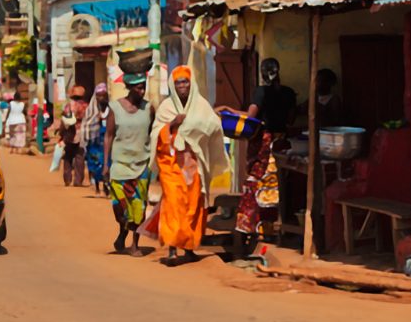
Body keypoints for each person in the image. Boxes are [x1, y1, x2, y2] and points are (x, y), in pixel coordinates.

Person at [150, 65, 228, 266]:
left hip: (194, 166)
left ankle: (189, 246)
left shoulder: (201, 105)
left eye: (185, 82)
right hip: (171, 165)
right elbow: (156, 134)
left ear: (191, 84)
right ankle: (172, 249)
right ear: (172, 86)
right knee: (174, 204)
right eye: (178, 83)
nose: (182, 86)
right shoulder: (166, 108)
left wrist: (200, 130)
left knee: (194, 206)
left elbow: (213, 126)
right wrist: (173, 124)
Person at [232, 57, 296, 256]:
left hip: (264, 144)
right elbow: (291, 118)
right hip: (283, 142)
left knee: (255, 184)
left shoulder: (261, 92)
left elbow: (251, 117)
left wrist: (230, 111)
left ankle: (251, 228)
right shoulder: (288, 93)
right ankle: (274, 229)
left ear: (261, 72)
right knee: (278, 186)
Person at [103, 71, 155, 256]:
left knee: (138, 207)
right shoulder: (115, 108)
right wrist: (106, 164)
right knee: (121, 208)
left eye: (144, 87)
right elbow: (108, 135)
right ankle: (122, 232)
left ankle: (134, 244)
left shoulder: (149, 108)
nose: (142, 91)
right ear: (130, 88)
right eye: (139, 88)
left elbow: (153, 132)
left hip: (141, 165)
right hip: (120, 165)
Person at [82, 83, 111, 195]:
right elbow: (87, 124)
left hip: (106, 141)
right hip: (94, 141)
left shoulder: (111, 109)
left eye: (103, 95)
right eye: (99, 95)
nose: (101, 98)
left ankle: (105, 185)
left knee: (106, 162)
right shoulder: (91, 109)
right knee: (95, 163)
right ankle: (97, 188)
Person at [57, 85, 88, 187]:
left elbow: (63, 121)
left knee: (68, 157)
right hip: (81, 133)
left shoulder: (68, 106)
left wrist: (61, 133)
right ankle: (78, 181)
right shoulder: (85, 106)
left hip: (69, 134)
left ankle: (67, 179)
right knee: (79, 157)